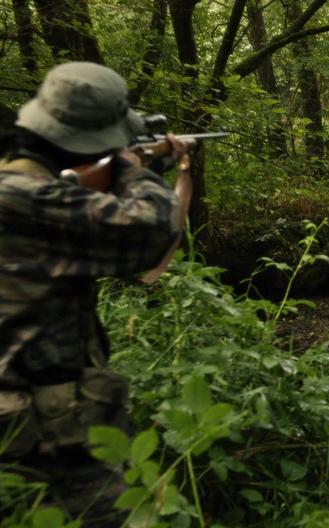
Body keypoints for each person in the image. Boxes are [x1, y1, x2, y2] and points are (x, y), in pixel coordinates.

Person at [0, 62, 190, 525]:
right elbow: (154, 231)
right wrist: (133, 168)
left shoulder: (20, 184)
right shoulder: (28, 199)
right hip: (41, 438)